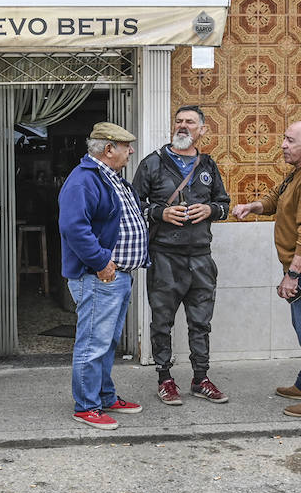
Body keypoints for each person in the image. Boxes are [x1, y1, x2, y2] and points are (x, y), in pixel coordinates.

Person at [232, 121, 301, 418]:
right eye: (284, 138)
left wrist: (292, 274)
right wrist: (253, 206)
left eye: (289, 140)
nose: (282, 144)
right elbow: (277, 199)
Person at [132, 104, 231, 406]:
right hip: (165, 257)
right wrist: (161, 212)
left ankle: (201, 378)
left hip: (201, 257)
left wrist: (210, 209)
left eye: (190, 122)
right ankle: (165, 379)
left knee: (201, 322)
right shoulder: (153, 163)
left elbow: (224, 205)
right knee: (162, 322)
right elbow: (134, 206)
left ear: (202, 129)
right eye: (178, 121)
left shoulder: (208, 166)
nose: (183, 126)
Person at [58, 122, 148, 430]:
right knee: (93, 344)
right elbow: (74, 228)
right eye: (126, 146)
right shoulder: (84, 180)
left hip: (116, 276)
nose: (131, 151)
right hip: (99, 276)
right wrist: (101, 262)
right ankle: (86, 406)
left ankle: (105, 396)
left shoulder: (111, 178)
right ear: (108, 149)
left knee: (107, 342)